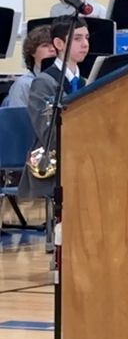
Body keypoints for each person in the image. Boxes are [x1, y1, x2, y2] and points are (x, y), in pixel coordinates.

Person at [19, 18, 90, 202]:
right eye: (77, 39)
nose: (85, 44)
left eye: (87, 38)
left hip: (84, 162)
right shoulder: (44, 82)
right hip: (53, 170)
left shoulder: (87, 82)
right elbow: (48, 133)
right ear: (58, 43)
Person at [1, 26, 56, 109]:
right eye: (45, 45)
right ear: (32, 51)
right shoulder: (24, 84)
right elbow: (18, 119)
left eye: (55, 45)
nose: (52, 49)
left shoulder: (66, 80)